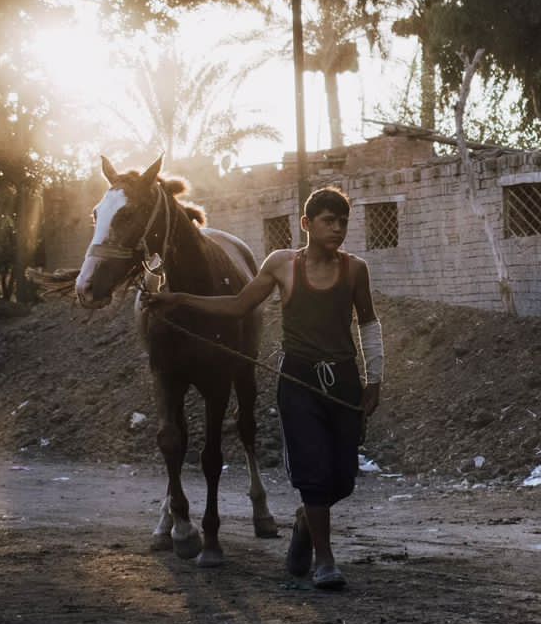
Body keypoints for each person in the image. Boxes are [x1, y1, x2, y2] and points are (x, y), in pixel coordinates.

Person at [142, 186, 382, 591]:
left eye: (343, 222)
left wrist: (374, 378)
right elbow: (237, 305)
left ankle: (306, 521)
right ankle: (325, 561)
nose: (338, 229)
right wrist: (180, 298)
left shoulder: (355, 269)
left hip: (341, 380)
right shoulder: (281, 265)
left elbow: (369, 324)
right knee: (312, 475)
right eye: (329, 221)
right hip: (297, 380)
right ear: (306, 224)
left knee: (343, 478)